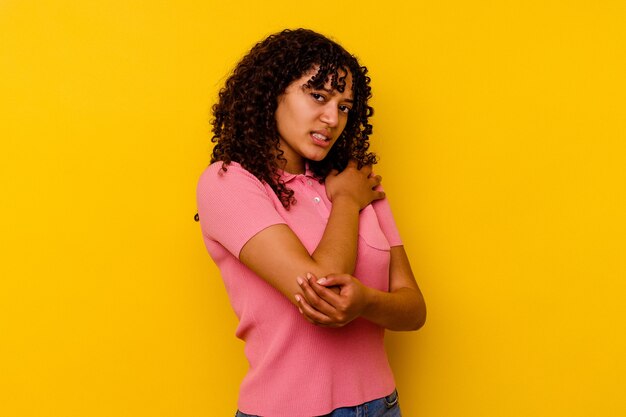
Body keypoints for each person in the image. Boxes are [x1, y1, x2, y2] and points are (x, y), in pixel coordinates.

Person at [196, 28, 426, 417]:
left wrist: (367, 301)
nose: (332, 117)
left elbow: (414, 308)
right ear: (272, 93)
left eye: (345, 106)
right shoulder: (229, 182)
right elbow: (321, 295)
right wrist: (347, 202)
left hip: (382, 406)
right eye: (317, 96)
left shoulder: (354, 180)